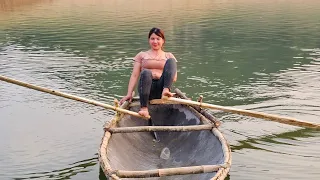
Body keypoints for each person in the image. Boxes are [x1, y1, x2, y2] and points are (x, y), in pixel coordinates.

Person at [119, 27, 177, 117]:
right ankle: (144, 108)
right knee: (146, 73)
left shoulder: (168, 56)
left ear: (163, 41)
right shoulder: (142, 55)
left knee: (171, 61)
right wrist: (129, 94)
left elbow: (174, 77)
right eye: (152, 39)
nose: (155, 42)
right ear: (149, 40)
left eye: (158, 39)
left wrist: (158, 76)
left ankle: (166, 91)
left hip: (162, 90)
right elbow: (134, 75)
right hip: (146, 89)